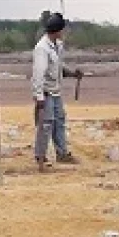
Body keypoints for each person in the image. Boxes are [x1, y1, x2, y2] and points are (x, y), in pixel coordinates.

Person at [32, 12, 83, 171]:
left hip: (56, 92)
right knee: (46, 125)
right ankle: (40, 156)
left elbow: (58, 68)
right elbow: (38, 74)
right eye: (63, 29)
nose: (64, 33)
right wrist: (39, 96)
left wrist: (72, 73)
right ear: (57, 30)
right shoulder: (42, 48)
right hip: (46, 93)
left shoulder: (58, 46)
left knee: (59, 121)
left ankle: (62, 153)